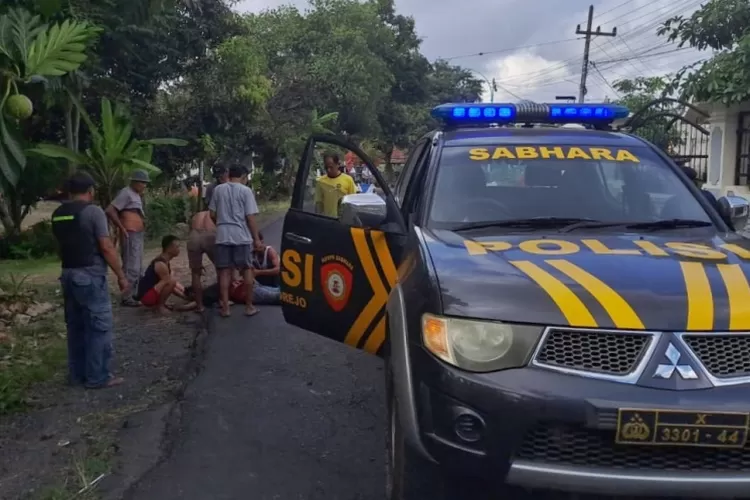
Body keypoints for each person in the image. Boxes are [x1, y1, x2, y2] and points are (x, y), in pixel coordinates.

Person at [51, 172, 128, 389]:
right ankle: (98, 377)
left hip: (67, 274)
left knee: (75, 328)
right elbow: (106, 246)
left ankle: (77, 376)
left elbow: (60, 246)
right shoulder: (93, 211)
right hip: (90, 276)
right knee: (98, 328)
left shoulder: (58, 213)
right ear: (91, 191)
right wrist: (121, 275)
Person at [209, 164, 262, 318]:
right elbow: (250, 217)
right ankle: (249, 306)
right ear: (244, 177)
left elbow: (212, 214)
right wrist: (256, 239)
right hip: (241, 236)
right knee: (246, 270)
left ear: (229, 174)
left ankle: (225, 307)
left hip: (222, 235)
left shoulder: (218, 189)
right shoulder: (246, 191)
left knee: (224, 272)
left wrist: (221, 224)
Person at [106, 170, 150, 307]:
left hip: (137, 233)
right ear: (135, 182)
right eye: (142, 183)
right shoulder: (126, 193)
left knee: (139, 267)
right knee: (132, 267)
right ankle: (127, 297)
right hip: (129, 233)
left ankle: (135, 294)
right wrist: (121, 227)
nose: (144, 186)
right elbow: (110, 210)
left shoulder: (136, 195)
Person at [135, 235, 186, 314]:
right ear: (169, 248)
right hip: (147, 297)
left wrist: (185, 293)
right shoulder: (160, 264)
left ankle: (159, 304)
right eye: (177, 247)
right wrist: (184, 296)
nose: (179, 249)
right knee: (171, 280)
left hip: (150, 293)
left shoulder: (165, 260)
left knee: (170, 280)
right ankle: (160, 306)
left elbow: (172, 285)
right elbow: (170, 284)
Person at [186, 209, 217, 313]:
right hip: (210, 234)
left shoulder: (196, 215)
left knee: (195, 273)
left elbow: (190, 229)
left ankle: (200, 306)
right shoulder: (214, 212)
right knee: (221, 269)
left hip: (194, 236)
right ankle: (223, 300)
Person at [315, 153, 357, 218]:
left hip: (343, 220)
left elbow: (353, 202)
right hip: (327, 220)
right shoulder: (321, 181)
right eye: (326, 167)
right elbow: (318, 203)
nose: (328, 170)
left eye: (331, 167)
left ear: (338, 165)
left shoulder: (348, 180)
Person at [249, 231, 281, 303]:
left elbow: (278, 270)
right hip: (263, 284)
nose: (254, 245)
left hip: (275, 282)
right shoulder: (252, 254)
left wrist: (259, 272)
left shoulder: (270, 251)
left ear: (262, 241)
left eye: (255, 243)